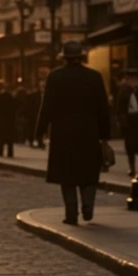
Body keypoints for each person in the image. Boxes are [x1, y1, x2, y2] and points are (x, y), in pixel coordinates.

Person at [34, 40, 111, 225]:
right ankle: (88, 206)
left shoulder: (55, 77)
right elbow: (103, 109)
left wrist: (39, 132)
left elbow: (47, 108)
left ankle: (71, 213)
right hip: (89, 134)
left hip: (63, 134)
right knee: (88, 173)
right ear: (81, 57)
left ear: (64, 58)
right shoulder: (94, 77)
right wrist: (104, 136)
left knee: (66, 176)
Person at [115, 69, 138, 178]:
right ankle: (133, 167)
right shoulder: (125, 91)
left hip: (137, 120)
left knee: (136, 145)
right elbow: (121, 109)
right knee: (131, 146)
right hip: (130, 121)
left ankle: (136, 167)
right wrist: (123, 123)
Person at [0, 80, 16, 158]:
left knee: (1, 137)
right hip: (9, 120)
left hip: (1, 120)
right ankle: (10, 152)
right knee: (10, 138)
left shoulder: (1, 97)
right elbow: (14, 109)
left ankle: (0, 151)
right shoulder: (11, 97)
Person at [25, 83, 43, 148]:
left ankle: (36, 141)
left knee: (33, 128)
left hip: (33, 115)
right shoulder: (36, 96)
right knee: (34, 128)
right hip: (34, 115)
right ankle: (37, 141)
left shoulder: (32, 96)